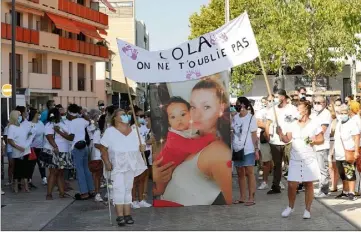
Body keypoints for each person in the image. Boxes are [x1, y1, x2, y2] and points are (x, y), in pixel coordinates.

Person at [152, 77, 232, 206]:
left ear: (221, 109)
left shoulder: (218, 152)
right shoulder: (187, 135)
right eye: (193, 107)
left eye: (206, 106)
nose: (197, 114)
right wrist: (155, 175)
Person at [99, 109, 147, 226]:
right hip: (117, 165)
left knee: (127, 189)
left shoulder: (135, 131)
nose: (126, 116)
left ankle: (127, 214)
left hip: (130, 165)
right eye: (122, 115)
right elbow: (102, 148)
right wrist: (106, 162)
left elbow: (142, 145)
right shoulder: (110, 132)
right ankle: (120, 216)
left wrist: (143, 147)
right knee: (119, 189)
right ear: (115, 118)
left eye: (126, 114)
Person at [277, 100, 323, 219]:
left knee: (309, 184)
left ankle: (307, 210)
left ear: (306, 110)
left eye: (299, 109)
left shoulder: (314, 124)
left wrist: (314, 141)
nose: (297, 111)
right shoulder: (292, 124)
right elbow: (287, 140)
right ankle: (290, 207)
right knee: (292, 184)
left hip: (309, 159)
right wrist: (280, 134)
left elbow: (321, 139)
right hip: (295, 159)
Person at [265, 89, 298, 194]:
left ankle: (295, 185)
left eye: (277, 96)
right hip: (275, 141)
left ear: (283, 97)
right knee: (277, 165)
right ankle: (276, 186)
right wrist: (268, 136)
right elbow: (268, 123)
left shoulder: (292, 109)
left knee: (291, 163)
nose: (275, 99)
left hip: (289, 140)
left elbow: (297, 122)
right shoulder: (272, 110)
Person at [40, 108, 73, 200]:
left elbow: (71, 137)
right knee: (53, 173)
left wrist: (59, 131)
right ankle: (49, 194)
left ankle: (62, 192)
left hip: (64, 151)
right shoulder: (49, 125)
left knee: (60, 172)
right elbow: (49, 137)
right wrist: (55, 147)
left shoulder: (64, 124)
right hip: (53, 151)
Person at [232, 97, 259, 206]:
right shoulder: (235, 118)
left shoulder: (251, 118)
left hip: (248, 149)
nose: (236, 106)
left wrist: (256, 149)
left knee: (250, 173)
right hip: (237, 148)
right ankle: (242, 197)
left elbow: (254, 135)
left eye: (238, 104)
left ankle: (251, 197)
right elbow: (233, 131)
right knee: (240, 173)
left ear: (244, 105)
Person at [67, 104, 95, 200]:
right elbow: (90, 122)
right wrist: (83, 114)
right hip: (84, 145)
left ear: (70, 112)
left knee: (80, 171)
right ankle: (91, 190)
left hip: (76, 146)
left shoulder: (71, 123)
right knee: (86, 169)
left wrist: (60, 132)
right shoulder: (83, 120)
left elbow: (71, 137)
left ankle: (84, 192)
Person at [334, 104, 359, 201]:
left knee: (350, 172)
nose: (343, 115)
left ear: (348, 113)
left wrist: (356, 151)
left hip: (349, 151)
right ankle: (345, 191)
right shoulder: (339, 123)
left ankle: (351, 192)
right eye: (341, 113)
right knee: (342, 174)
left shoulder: (352, 123)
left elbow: (356, 137)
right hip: (339, 153)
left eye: (345, 113)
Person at [7, 110, 35, 193]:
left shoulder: (22, 126)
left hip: (25, 150)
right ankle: (15, 185)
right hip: (17, 151)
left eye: (20, 115)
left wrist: (30, 134)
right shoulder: (11, 127)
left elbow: (25, 135)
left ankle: (25, 185)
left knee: (25, 168)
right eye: (18, 115)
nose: (20, 117)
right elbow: (10, 140)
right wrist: (18, 148)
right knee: (18, 168)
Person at [130, 109, 152, 208]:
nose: (142, 118)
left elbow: (148, 139)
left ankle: (142, 199)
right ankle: (133, 200)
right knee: (135, 179)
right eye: (139, 116)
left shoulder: (143, 128)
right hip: (135, 156)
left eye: (143, 116)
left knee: (144, 177)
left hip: (145, 154)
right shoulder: (131, 129)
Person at [311, 96, 332, 198]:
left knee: (323, 169)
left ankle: (324, 190)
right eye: (315, 102)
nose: (316, 104)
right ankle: (320, 188)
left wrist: (312, 138)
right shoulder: (315, 114)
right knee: (318, 169)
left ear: (324, 103)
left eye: (319, 102)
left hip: (322, 145)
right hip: (315, 145)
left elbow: (322, 130)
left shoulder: (326, 114)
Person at [257, 95, 273, 190]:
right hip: (265, 139)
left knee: (277, 162)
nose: (271, 102)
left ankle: (277, 181)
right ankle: (265, 181)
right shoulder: (261, 112)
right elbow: (258, 123)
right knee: (266, 161)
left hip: (277, 139)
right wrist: (268, 126)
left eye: (273, 100)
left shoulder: (278, 111)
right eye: (269, 100)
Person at [87, 109, 104, 202]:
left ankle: (97, 191)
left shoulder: (97, 126)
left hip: (99, 151)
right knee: (96, 172)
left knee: (99, 173)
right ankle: (97, 192)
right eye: (97, 115)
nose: (98, 116)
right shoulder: (91, 126)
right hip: (95, 150)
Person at [28, 108, 47, 187]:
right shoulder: (29, 124)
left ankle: (44, 178)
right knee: (31, 165)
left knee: (41, 164)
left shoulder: (41, 123)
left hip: (40, 147)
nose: (39, 115)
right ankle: (29, 179)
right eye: (37, 114)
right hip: (31, 148)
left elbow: (44, 134)